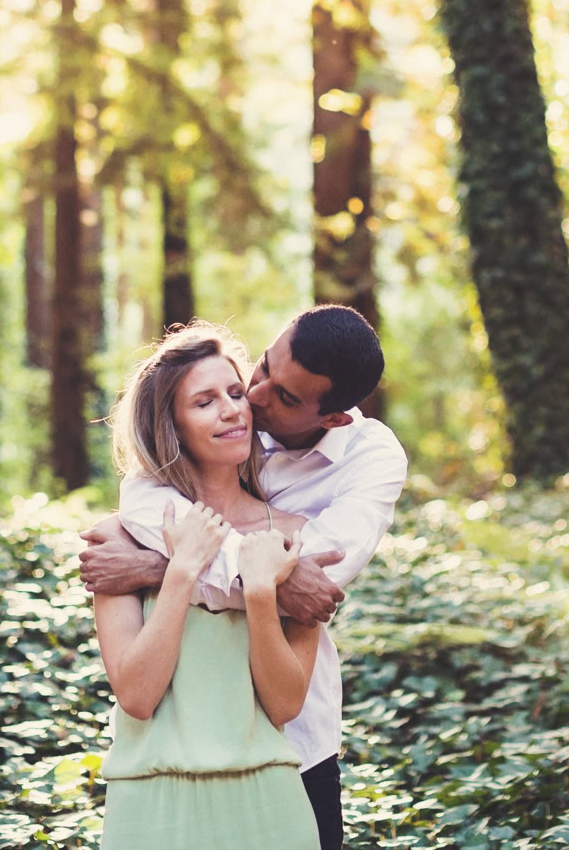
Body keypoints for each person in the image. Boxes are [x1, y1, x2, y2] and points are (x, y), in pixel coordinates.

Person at [83, 305, 407, 850]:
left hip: (292, 752)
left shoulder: (365, 464)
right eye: (259, 370)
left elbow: (307, 589)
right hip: (163, 777)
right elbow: (148, 495)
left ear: (332, 418)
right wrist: (199, 566)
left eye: (281, 398)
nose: (249, 402)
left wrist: (159, 568)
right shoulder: (139, 516)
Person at [93, 322, 321, 850]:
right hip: (152, 803)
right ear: (171, 426)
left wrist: (262, 594)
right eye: (204, 401)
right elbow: (138, 694)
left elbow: (285, 705)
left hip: (268, 801)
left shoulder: (291, 535)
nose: (232, 410)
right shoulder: (119, 541)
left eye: (236, 393)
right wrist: (180, 570)